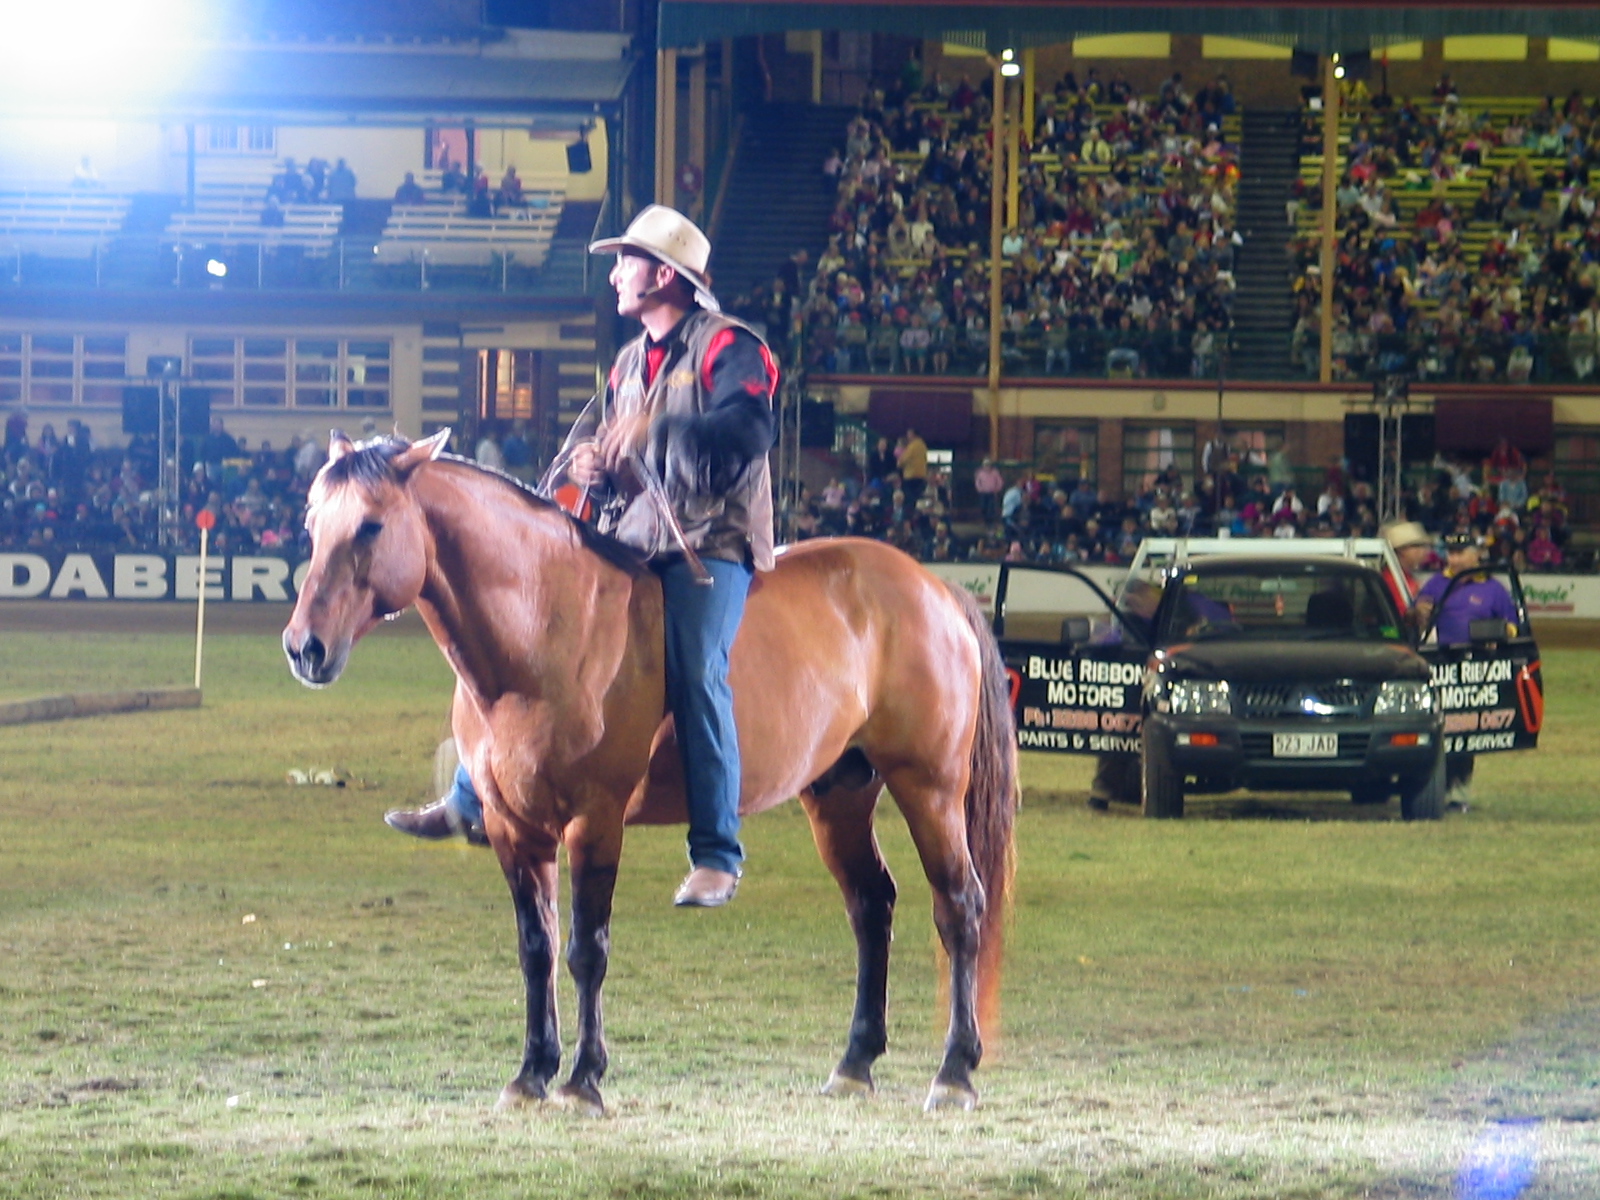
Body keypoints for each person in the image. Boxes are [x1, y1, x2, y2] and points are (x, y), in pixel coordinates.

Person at [384, 205, 778, 910]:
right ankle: (469, 796)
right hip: (633, 537)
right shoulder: (629, 360)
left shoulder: (730, 348)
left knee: (697, 670)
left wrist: (660, 425)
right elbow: (622, 449)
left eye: (625, 260)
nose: (614, 274)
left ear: (664, 274)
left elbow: (745, 436)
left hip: (713, 544)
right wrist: (598, 462)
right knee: (532, 647)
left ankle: (718, 852)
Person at [1412, 532, 1520, 810]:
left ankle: (1459, 792)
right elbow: (1417, 618)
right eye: (1451, 553)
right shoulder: (1437, 583)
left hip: (1476, 670)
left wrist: (1500, 635)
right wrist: (1420, 613)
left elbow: (1512, 624)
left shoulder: (1494, 589)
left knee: (1467, 732)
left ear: (1477, 555)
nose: (1455, 559)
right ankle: (1437, 788)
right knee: (1442, 732)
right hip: (1443, 668)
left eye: (1461, 553)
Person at [1087, 579, 1160, 810]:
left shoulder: (1165, 622)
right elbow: (1099, 646)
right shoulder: (1121, 624)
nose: (1145, 602)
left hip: (1159, 690)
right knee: (1119, 730)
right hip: (1128, 691)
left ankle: (1107, 790)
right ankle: (1102, 791)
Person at [1380, 520, 1432, 617]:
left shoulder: (1406, 577)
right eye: (1416, 546)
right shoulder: (1390, 580)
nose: (1424, 550)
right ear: (1401, 550)